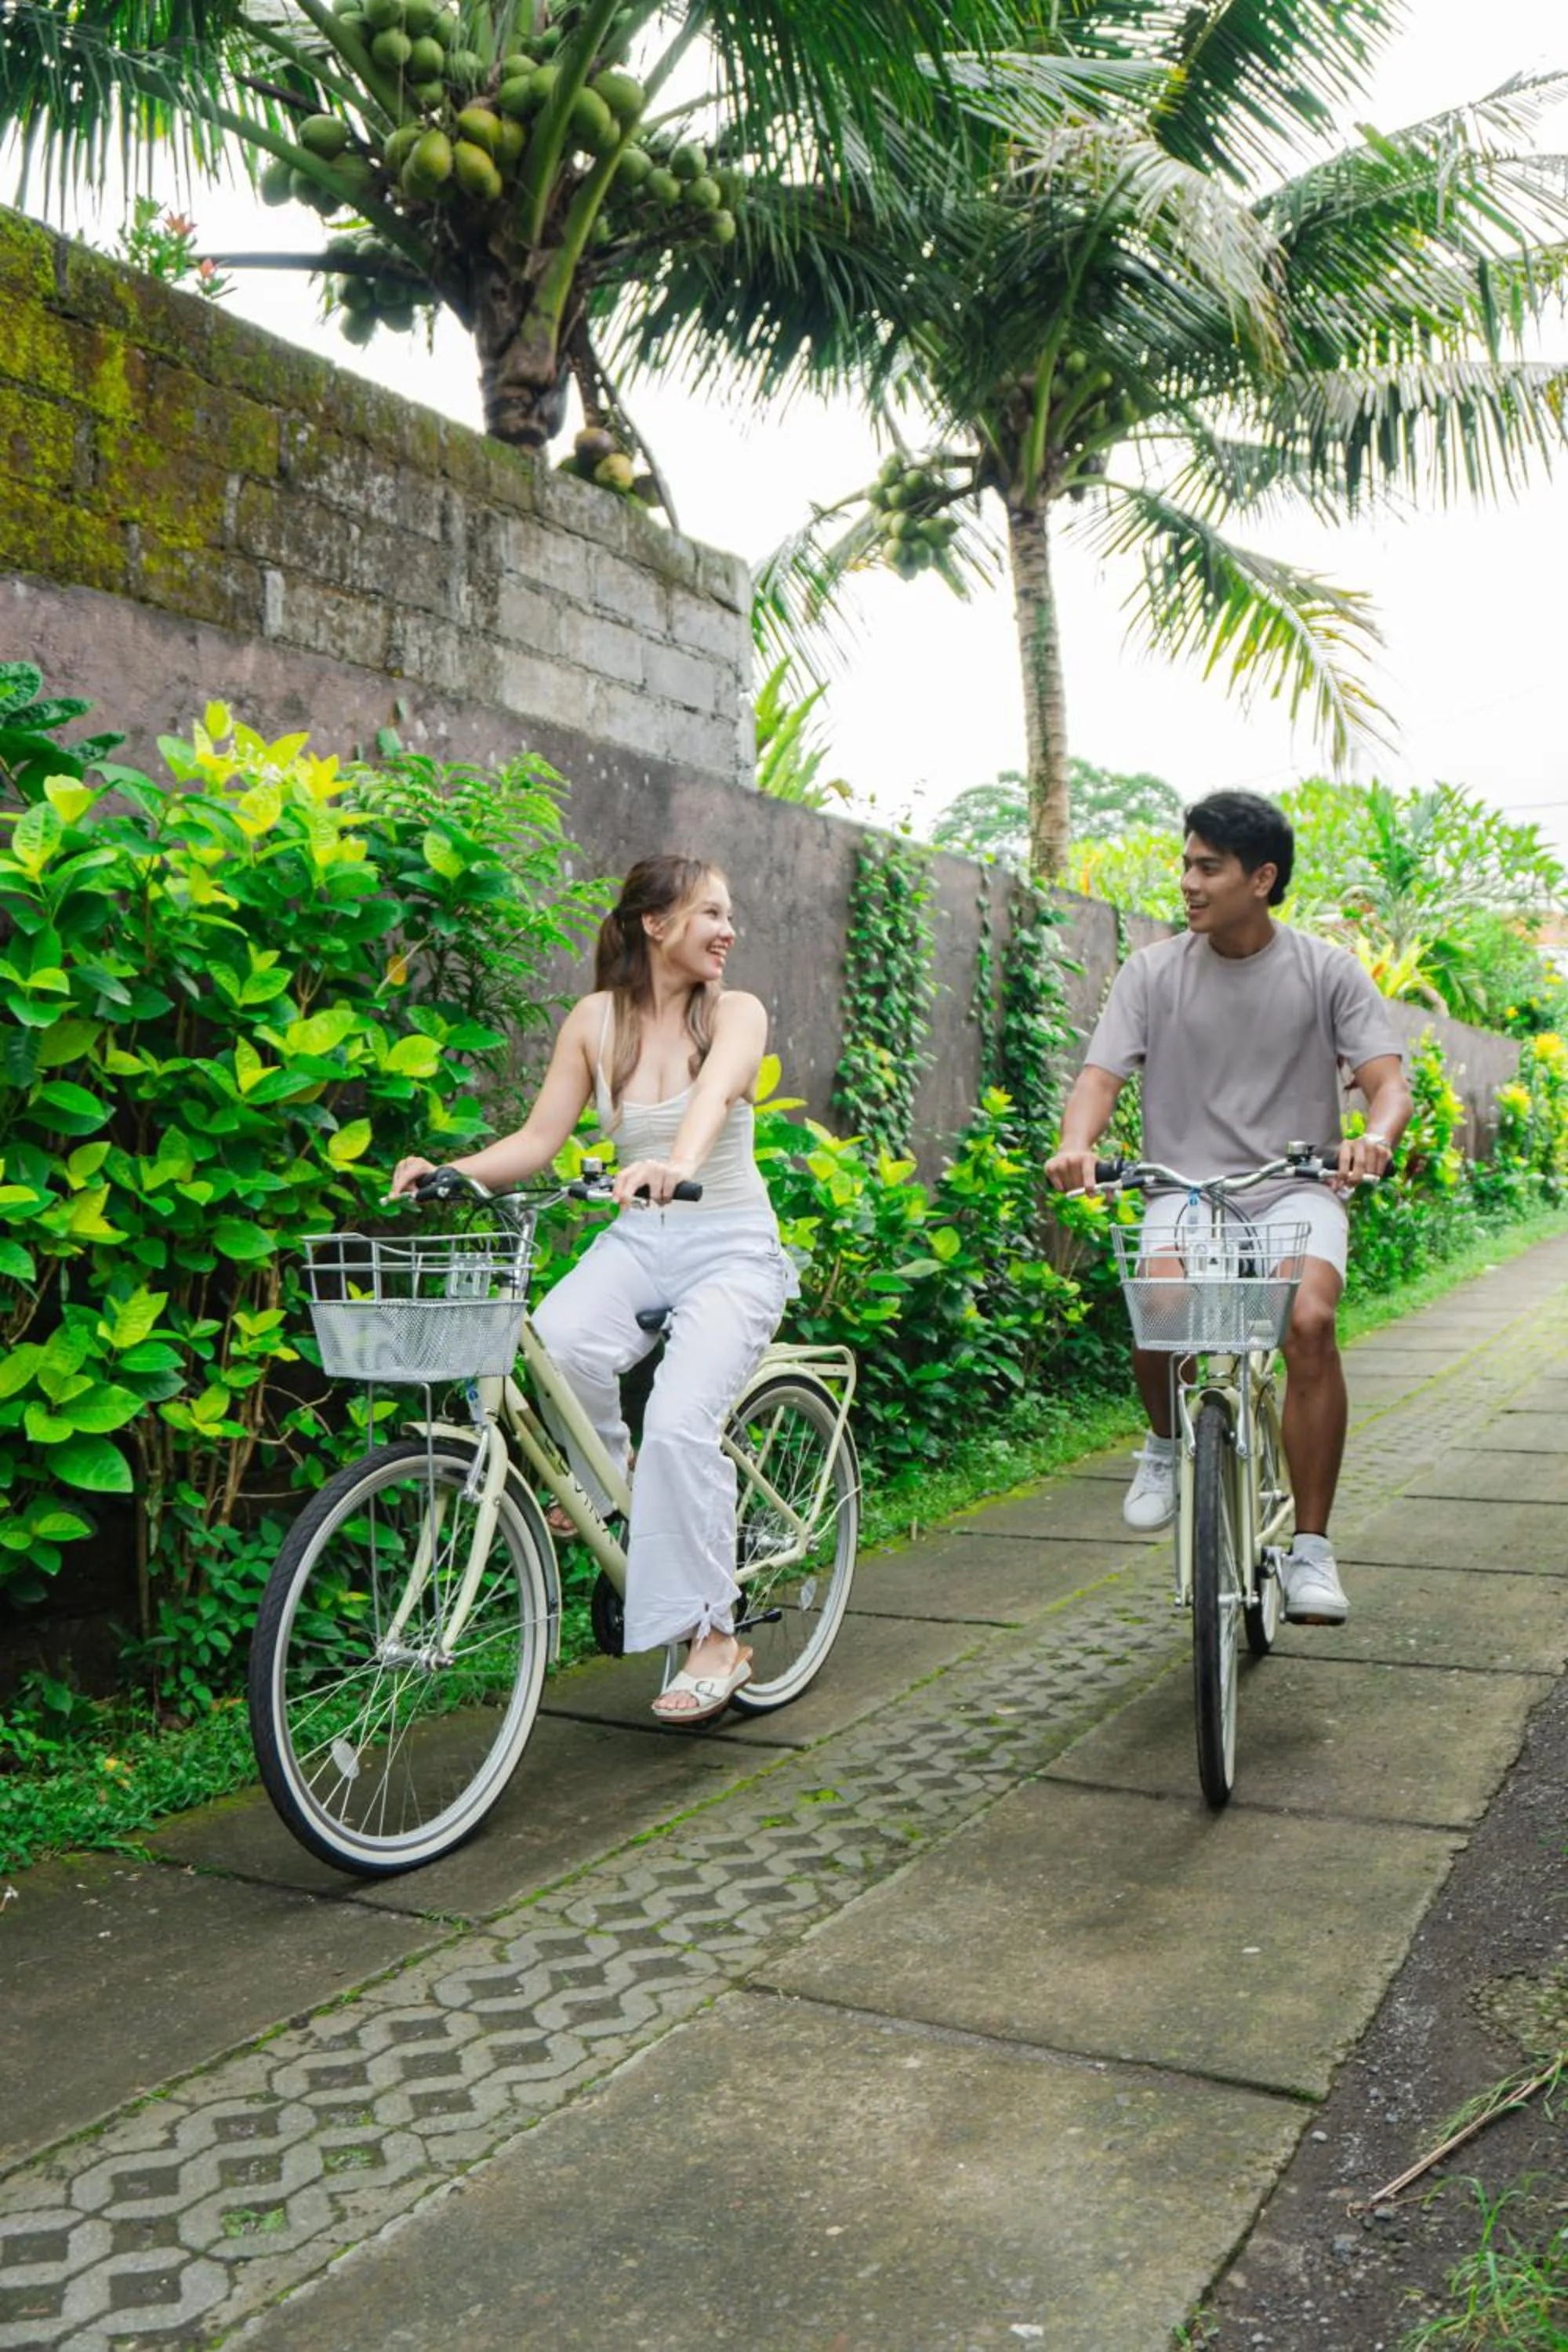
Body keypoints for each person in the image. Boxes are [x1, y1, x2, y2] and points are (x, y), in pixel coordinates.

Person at [391, 853, 795, 1723]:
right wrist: (448, 1171)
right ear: (655, 924)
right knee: (556, 1340)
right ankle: (612, 1486)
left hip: (729, 1245)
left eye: (730, 917)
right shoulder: (593, 1022)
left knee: (681, 1422)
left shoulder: (737, 1013)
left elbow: (717, 1098)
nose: (728, 932)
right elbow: (539, 1138)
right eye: (709, 915)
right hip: (638, 1240)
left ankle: (714, 1635)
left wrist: (672, 1165)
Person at [1045, 789, 1414, 1626]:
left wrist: (1374, 1138)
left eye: (1206, 866)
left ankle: (1312, 1551)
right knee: (1159, 1303)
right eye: (1185, 863)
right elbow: (1098, 1081)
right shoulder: (1151, 972)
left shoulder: (1324, 970)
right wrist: (1076, 1145)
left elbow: (1385, 1081)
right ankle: (1166, 1444)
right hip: (1179, 1184)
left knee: (1308, 1324)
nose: (1187, 881)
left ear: (1261, 877)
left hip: (1292, 1185)